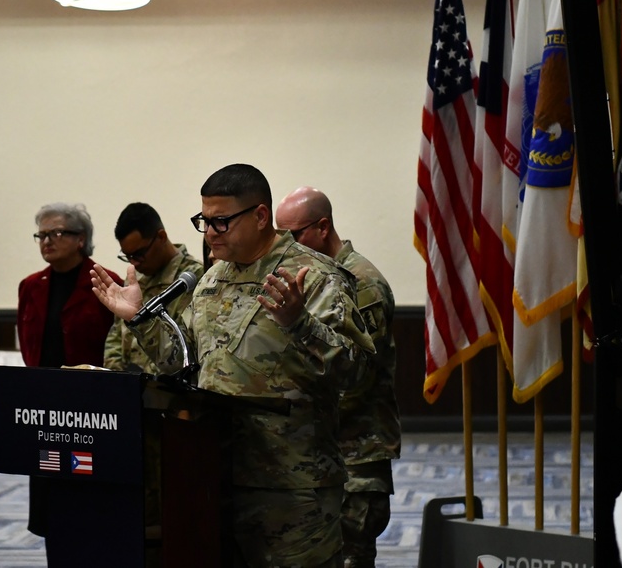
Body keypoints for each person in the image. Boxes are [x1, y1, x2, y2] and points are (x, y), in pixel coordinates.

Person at [90, 163, 374, 568]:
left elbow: (358, 373)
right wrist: (140, 320)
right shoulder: (212, 279)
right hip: (214, 476)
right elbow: (181, 362)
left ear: (260, 217)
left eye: (220, 223)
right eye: (203, 222)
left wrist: (302, 325)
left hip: (292, 488)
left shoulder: (313, 278)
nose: (208, 234)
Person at [275, 186, 400, 568]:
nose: (285, 246)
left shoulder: (361, 284)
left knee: (351, 555)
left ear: (323, 226)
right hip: (321, 451)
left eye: (293, 235)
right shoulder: (313, 278)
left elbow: (357, 379)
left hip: (357, 453)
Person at [16, 202, 122, 559]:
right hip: (46, 411)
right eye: (42, 235)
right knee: (52, 500)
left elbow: (117, 347)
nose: (47, 241)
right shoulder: (30, 286)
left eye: (56, 233)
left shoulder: (105, 282)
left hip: (92, 410)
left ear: (81, 239)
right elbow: (28, 343)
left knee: (89, 498)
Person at [103, 202, 204, 375]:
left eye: (139, 254)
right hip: (127, 388)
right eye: (128, 257)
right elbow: (116, 336)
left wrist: (143, 380)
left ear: (161, 237)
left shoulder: (193, 278)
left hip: (168, 390)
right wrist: (116, 376)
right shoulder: (135, 278)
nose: (134, 263)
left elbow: (187, 346)